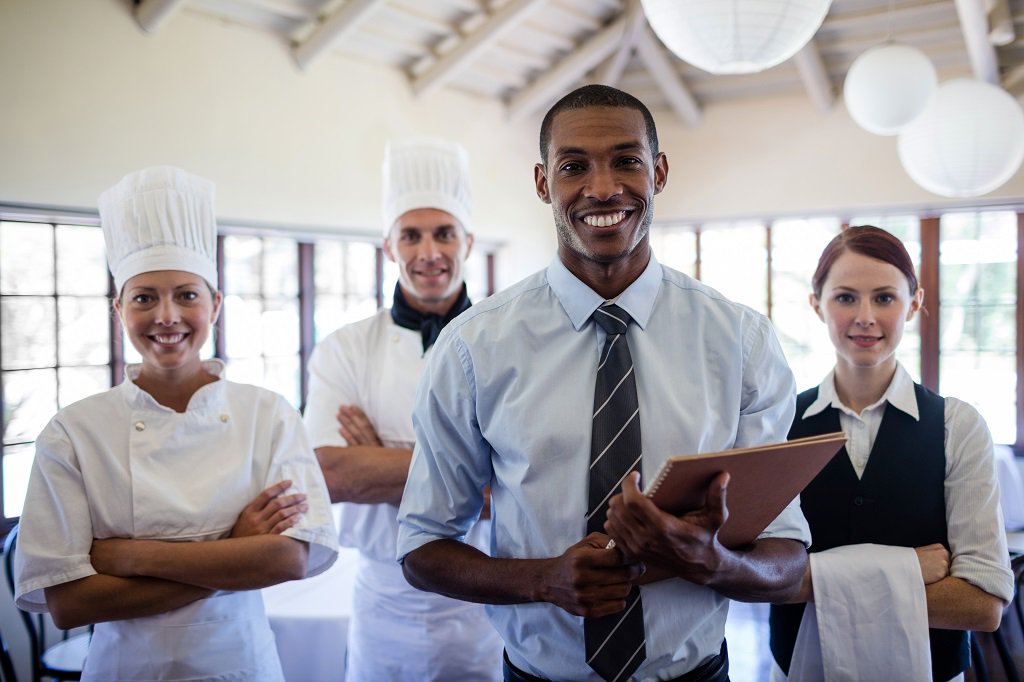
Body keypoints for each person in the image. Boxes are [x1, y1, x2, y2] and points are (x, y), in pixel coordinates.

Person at [396, 84, 811, 682]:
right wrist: (541, 579)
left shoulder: (740, 342)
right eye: (573, 167)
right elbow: (422, 548)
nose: (602, 188)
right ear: (542, 182)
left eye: (626, 160)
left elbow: (787, 560)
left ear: (659, 171)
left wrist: (712, 562)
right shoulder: (472, 348)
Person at [13, 166, 339, 681]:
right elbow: (70, 603)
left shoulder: (269, 413)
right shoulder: (73, 432)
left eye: (187, 294)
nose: (167, 315)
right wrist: (234, 551)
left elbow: (289, 559)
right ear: (119, 308)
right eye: (145, 297)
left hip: (240, 665)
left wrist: (130, 556)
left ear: (216, 305)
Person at [768, 225, 1014, 681]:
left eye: (884, 298)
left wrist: (810, 581)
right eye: (845, 297)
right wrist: (908, 570)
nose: (865, 316)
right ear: (816, 303)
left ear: (915, 302)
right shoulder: (777, 423)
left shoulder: (957, 425)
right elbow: (750, 577)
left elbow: (982, 604)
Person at [304, 137, 503, 680]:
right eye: (410, 235)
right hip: (381, 603)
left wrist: (379, 459)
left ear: (468, 240)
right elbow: (330, 473)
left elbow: (527, 487)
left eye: (443, 233)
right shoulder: (345, 348)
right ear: (389, 245)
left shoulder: (511, 342)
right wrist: (473, 474)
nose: (429, 252)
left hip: (488, 601)